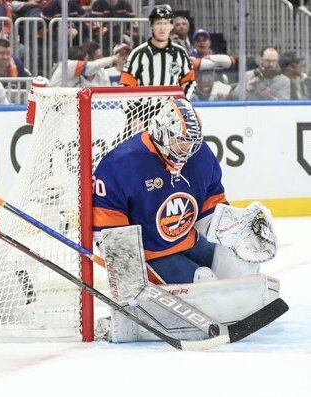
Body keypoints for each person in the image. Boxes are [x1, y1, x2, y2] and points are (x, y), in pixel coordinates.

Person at [92, 98, 274, 285]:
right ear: (161, 132)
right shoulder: (120, 164)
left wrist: (235, 230)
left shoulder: (200, 154)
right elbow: (110, 231)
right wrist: (129, 279)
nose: (187, 149)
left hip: (188, 241)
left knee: (238, 263)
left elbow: (210, 207)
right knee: (203, 283)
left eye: (192, 142)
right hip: (149, 254)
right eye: (180, 141)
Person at [120, 5, 195, 99]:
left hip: (171, 111)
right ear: (151, 26)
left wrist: (183, 102)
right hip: (144, 111)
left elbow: (189, 82)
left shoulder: (180, 53)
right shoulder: (138, 54)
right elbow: (126, 86)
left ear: (171, 26)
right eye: (158, 23)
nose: (162, 28)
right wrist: (135, 111)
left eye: (166, 23)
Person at [47, 44, 118, 87]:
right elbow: (93, 65)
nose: (87, 62)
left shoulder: (69, 68)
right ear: (78, 59)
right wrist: (114, 58)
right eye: (86, 59)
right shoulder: (70, 65)